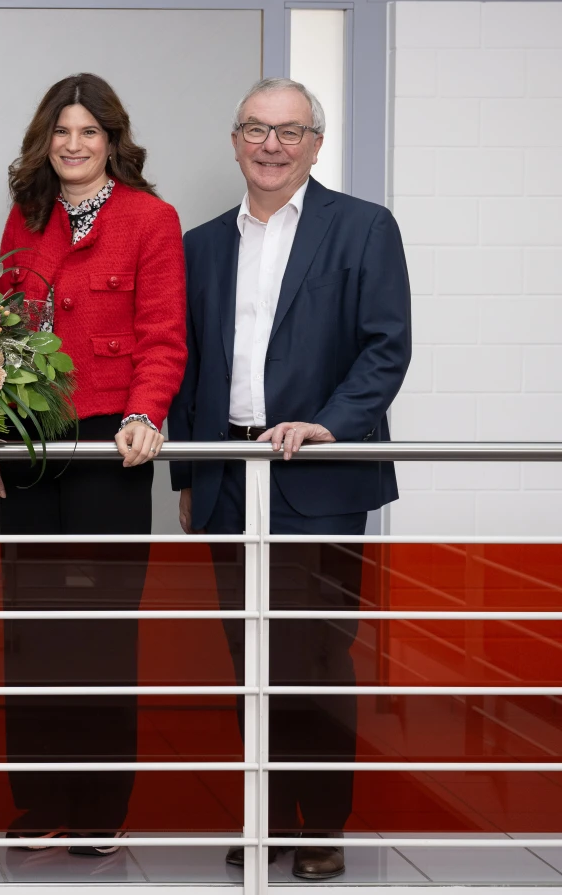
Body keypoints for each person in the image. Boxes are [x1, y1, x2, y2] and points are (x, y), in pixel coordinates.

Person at [169, 77, 411, 881]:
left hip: (322, 476)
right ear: (234, 140)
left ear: (315, 141)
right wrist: (188, 470)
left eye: (289, 131)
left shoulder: (365, 229)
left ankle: (322, 825)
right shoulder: (202, 243)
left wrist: (331, 425)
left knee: (319, 656)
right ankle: (266, 817)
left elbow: (385, 347)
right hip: (230, 477)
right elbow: (187, 361)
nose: (271, 145)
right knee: (251, 662)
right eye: (255, 129)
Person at [0, 72, 186, 857]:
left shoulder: (150, 218)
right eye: (61, 132)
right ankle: (39, 804)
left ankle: (99, 806)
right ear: (45, 140)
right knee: (29, 631)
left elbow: (165, 333)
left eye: (88, 132)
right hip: (31, 446)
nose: (73, 145)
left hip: (111, 451)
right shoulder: (24, 219)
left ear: (112, 141)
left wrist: (146, 411)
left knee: (98, 632)